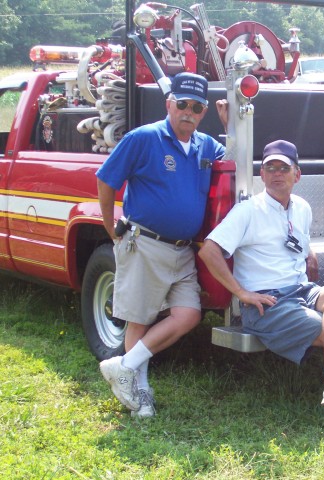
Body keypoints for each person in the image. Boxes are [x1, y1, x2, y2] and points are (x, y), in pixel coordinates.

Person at [198, 140, 324, 442]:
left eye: (284, 168)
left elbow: (298, 243)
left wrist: (310, 254)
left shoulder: (302, 207)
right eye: (270, 168)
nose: (277, 173)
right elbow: (209, 251)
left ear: (297, 175)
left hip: (302, 289)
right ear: (262, 176)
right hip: (268, 301)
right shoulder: (247, 211)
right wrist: (242, 293)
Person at [96, 72, 227, 418]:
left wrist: (231, 125)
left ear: (203, 112)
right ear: (169, 103)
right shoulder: (144, 138)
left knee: (188, 315)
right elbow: (107, 180)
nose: (188, 112)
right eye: (181, 104)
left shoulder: (205, 145)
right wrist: (111, 227)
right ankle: (140, 395)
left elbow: (236, 160)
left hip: (183, 249)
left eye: (196, 107)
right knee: (138, 320)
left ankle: (124, 367)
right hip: (145, 244)